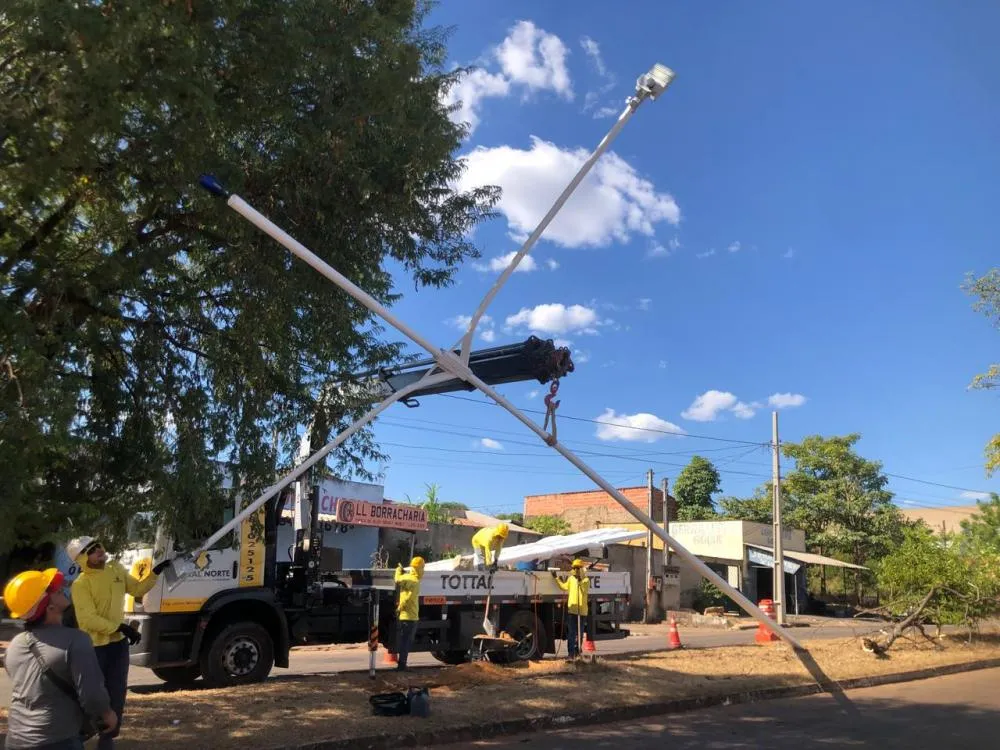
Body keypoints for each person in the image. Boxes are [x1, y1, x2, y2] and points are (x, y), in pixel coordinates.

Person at [65, 537, 172, 749]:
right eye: (91, 550)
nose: (99, 550)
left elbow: (137, 590)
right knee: (93, 695)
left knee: (117, 693)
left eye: (98, 546)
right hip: (94, 648)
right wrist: (120, 627)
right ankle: (78, 737)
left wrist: (156, 573)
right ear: (83, 559)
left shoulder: (115, 569)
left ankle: (107, 740)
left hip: (118, 646)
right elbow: (88, 619)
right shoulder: (81, 584)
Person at [3, 568, 118, 750]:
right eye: (54, 590)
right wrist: (107, 714)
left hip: (15, 740)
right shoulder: (76, 640)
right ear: (49, 607)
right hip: (58, 740)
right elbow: (92, 695)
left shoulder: (16, 644)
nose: (62, 589)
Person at [552, 558, 590, 658]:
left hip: (581, 611)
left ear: (582, 569)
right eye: (575, 568)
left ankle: (578, 652)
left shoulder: (586, 580)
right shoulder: (571, 579)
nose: (576, 570)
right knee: (571, 633)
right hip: (572, 610)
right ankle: (571, 654)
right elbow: (564, 587)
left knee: (579, 633)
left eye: (578, 568)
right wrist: (556, 578)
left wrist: (580, 580)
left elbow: (584, 590)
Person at [393, 556, 424, 671]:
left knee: (404, 640)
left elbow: (397, 579)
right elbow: (409, 598)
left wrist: (398, 570)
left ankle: (401, 664)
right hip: (411, 616)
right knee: (407, 641)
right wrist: (400, 607)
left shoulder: (405, 577)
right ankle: (402, 665)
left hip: (403, 616)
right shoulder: (415, 582)